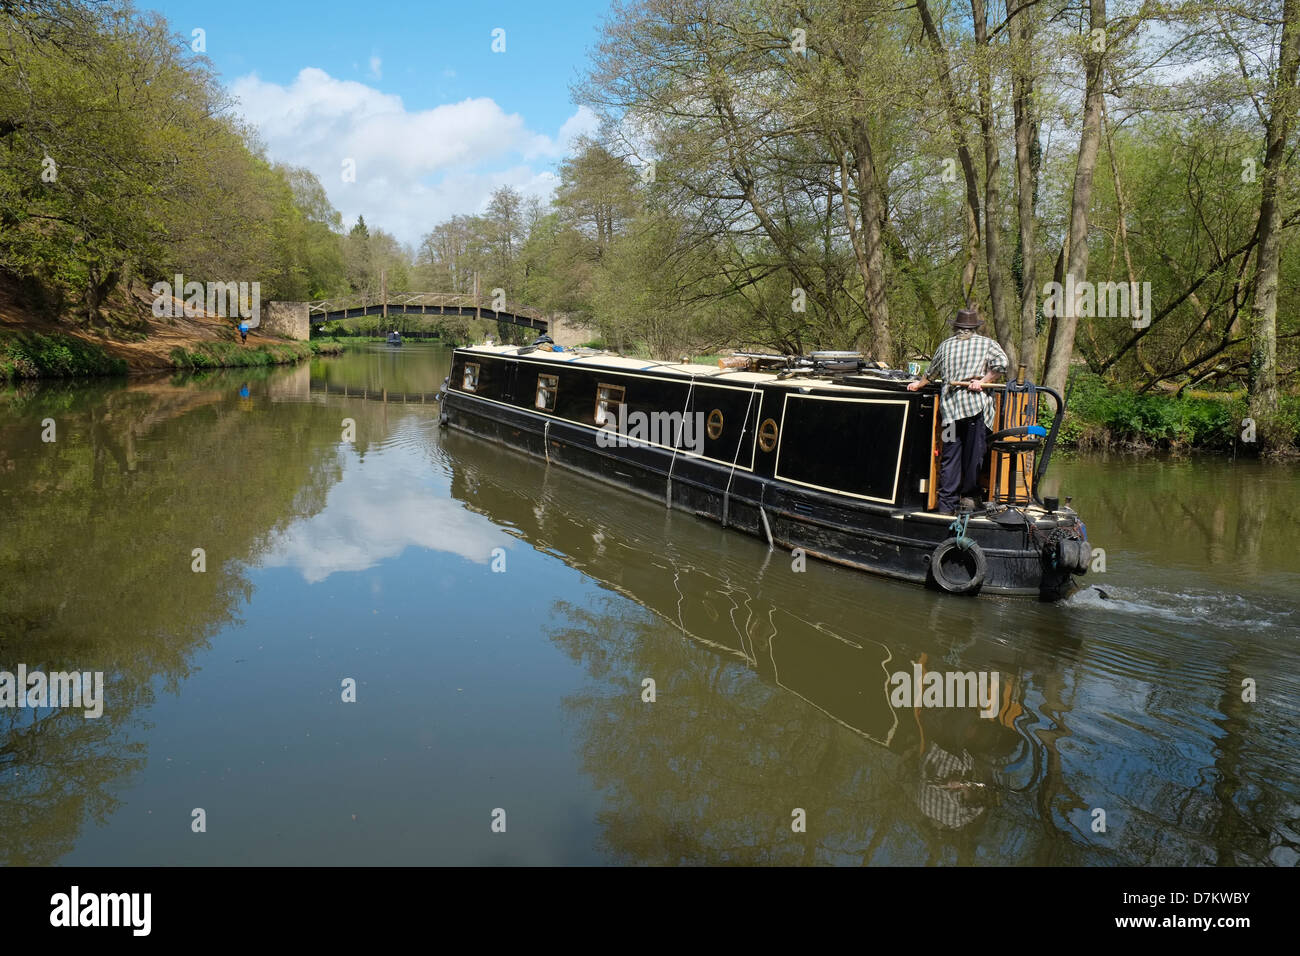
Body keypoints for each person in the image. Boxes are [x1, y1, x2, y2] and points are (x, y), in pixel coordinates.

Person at [907, 306, 1008, 514]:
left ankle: (946, 506)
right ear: (974, 328)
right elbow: (1002, 365)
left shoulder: (945, 346)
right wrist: (983, 380)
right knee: (974, 456)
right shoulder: (987, 344)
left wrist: (919, 384)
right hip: (974, 412)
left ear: (957, 328)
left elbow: (931, 372)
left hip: (949, 413)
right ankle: (969, 499)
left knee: (949, 455)